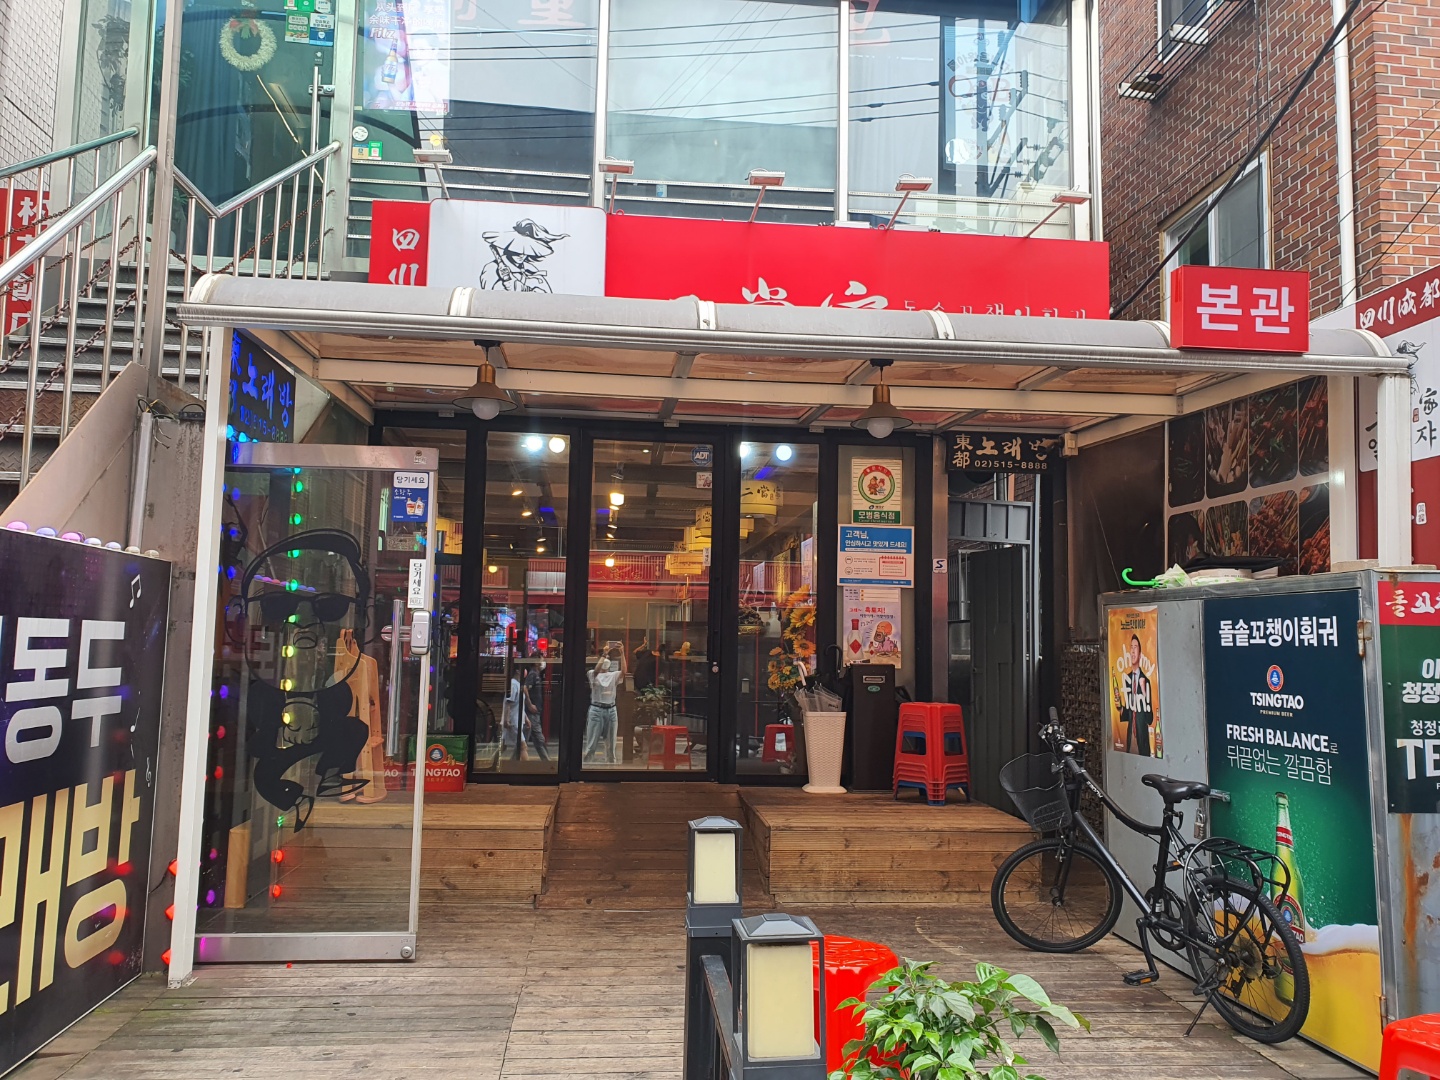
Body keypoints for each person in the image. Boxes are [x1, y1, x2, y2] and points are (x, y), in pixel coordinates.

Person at [583, 646, 624, 764]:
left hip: (611, 709)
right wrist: (604, 654)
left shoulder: (613, 675)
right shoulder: (591, 673)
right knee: (591, 744)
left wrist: (622, 654)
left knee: (611, 744)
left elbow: (624, 671)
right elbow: (596, 670)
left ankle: (611, 765)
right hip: (597, 709)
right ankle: (587, 765)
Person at [1121, 634, 1155, 757]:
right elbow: (1126, 715)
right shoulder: (1127, 679)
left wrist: (1144, 692)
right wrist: (1120, 707)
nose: (1133, 651)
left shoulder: (1145, 681)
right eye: (1131, 647)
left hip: (1142, 740)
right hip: (1130, 739)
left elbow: (1150, 719)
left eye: (1135, 647)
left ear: (1140, 654)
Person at [515, 650, 550, 762]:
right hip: (532, 713)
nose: (543, 662)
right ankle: (547, 763)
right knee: (539, 739)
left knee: (524, 740)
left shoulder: (536, 674)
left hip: (534, 713)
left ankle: (513, 761)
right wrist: (530, 705)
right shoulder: (533, 674)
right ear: (535, 662)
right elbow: (525, 688)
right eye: (541, 659)